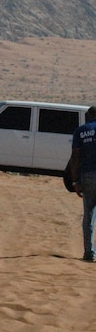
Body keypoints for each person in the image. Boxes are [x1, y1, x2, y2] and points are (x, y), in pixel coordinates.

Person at [69, 106, 96, 262]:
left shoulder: (81, 131)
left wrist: (75, 181)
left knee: (89, 215)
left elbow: (75, 158)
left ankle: (89, 253)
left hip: (88, 176)